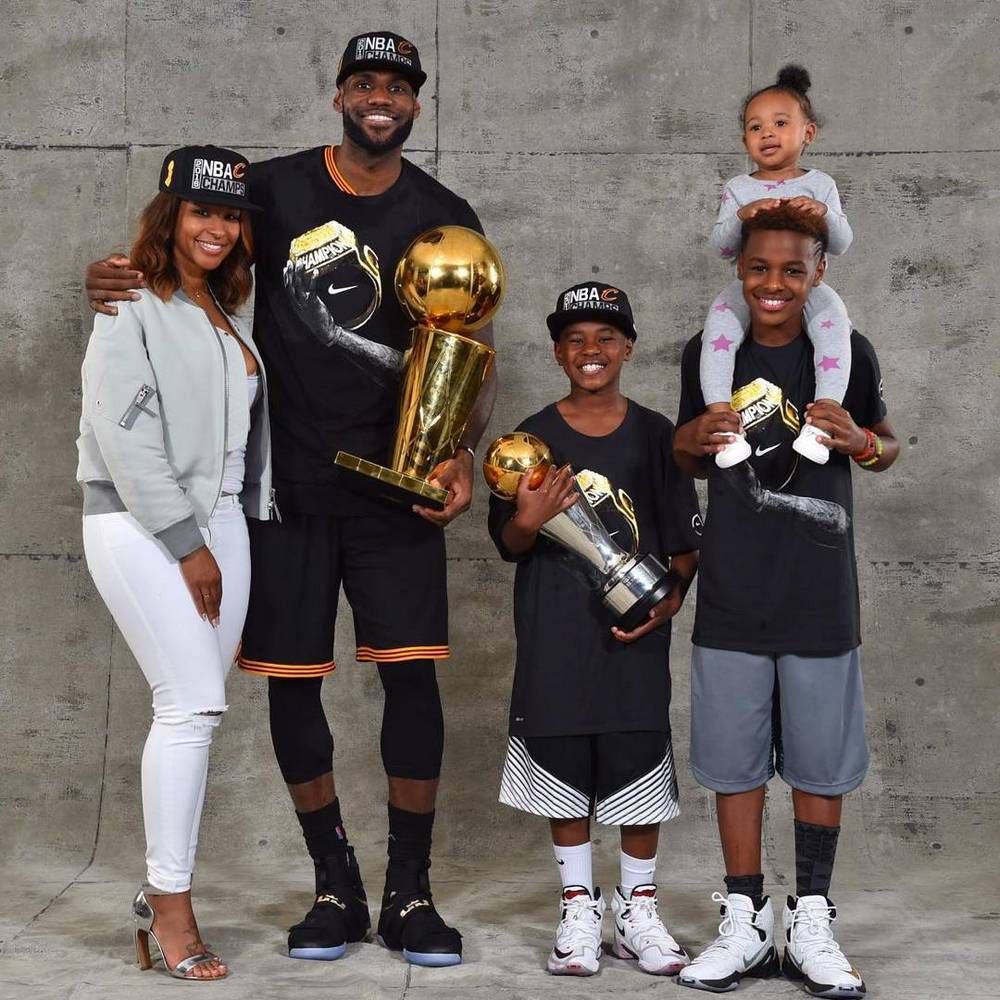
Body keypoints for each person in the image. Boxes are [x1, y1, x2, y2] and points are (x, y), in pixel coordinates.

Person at [84, 31, 494, 968]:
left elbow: (471, 351)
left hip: (398, 496)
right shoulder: (270, 187)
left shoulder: (446, 213)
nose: (379, 97)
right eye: (363, 82)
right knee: (292, 685)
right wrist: (111, 276)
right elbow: (190, 245)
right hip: (285, 489)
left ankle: (411, 892)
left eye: (397, 86)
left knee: (412, 682)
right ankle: (335, 883)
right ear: (339, 94)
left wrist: (461, 452)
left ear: (416, 104)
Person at [672, 203, 898, 997]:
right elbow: (685, 449)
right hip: (732, 592)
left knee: (818, 766)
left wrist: (862, 442)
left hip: (818, 594)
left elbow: (885, 443)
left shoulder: (849, 354)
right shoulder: (710, 352)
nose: (775, 283)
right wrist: (693, 439)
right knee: (733, 767)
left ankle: (810, 919)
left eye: (792, 270)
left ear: (818, 273)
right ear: (739, 267)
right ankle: (744, 917)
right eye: (760, 268)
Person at [77, 145, 268, 980]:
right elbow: (126, 439)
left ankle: (164, 896)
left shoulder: (227, 311)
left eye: (230, 213)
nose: (217, 227)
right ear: (170, 217)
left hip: (227, 523)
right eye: (201, 211)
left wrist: (221, 533)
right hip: (141, 523)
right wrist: (188, 546)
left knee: (197, 713)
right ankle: (169, 905)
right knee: (189, 706)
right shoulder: (131, 302)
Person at [488, 282, 701, 977]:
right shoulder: (531, 439)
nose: (591, 350)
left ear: (629, 347)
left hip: (632, 639)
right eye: (576, 339)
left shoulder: (655, 434)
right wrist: (529, 513)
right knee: (564, 767)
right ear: (556, 352)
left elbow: (684, 543)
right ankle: (578, 910)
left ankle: (637, 910)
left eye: (606, 337)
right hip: (556, 635)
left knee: (636, 767)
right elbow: (511, 543)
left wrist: (669, 601)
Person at [701, 64, 855, 469]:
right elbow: (721, 248)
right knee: (716, 334)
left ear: (808, 132)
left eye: (780, 123)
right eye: (755, 127)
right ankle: (724, 425)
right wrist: (741, 215)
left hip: (807, 286)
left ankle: (821, 422)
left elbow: (840, 244)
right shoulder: (739, 188)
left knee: (836, 330)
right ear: (744, 140)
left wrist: (824, 214)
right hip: (747, 285)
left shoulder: (820, 184)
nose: (767, 133)